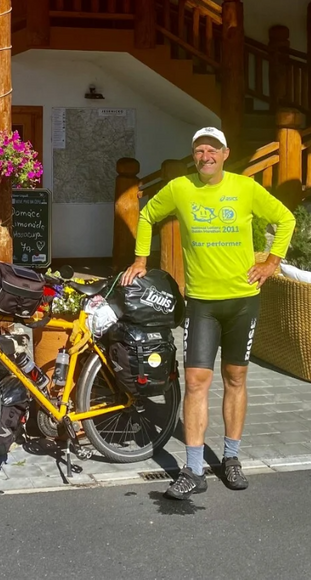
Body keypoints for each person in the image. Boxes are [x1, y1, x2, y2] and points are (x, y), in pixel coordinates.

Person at [122, 126, 295, 500]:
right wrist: (140, 260)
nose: (206, 156)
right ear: (194, 156)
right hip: (201, 303)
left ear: (225, 153)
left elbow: (286, 219)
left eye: (213, 150)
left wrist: (271, 263)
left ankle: (231, 458)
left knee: (235, 377)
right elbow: (147, 215)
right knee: (196, 381)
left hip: (242, 300)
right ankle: (193, 468)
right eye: (200, 150)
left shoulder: (245, 188)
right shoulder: (180, 188)